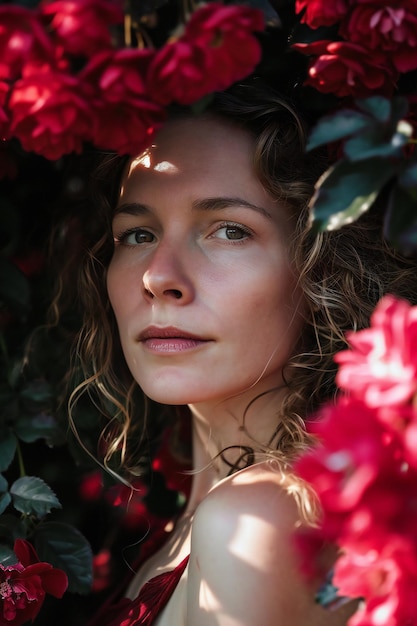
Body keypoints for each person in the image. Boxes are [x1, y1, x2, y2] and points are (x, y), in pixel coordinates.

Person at [68, 80, 417, 626]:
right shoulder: (197, 517)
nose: (159, 277)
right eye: (137, 234)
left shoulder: (254, 523)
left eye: (229, 230)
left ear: (322, 266)